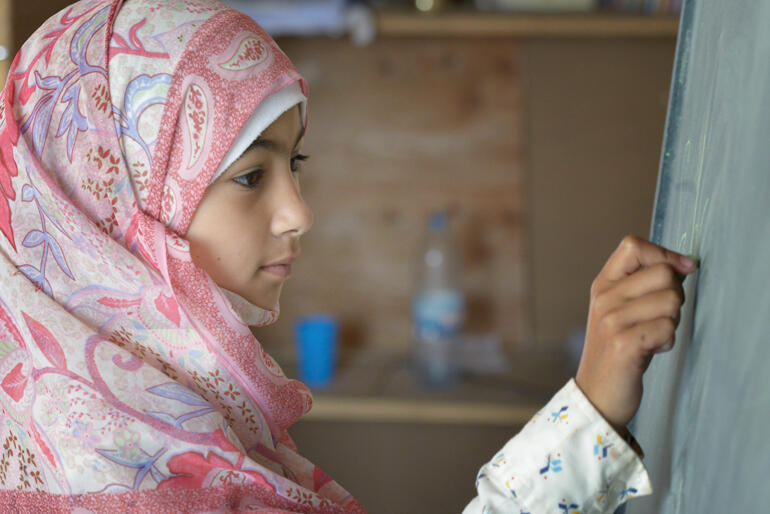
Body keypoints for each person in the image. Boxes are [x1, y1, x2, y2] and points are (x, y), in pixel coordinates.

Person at [0, 0, 695, 511]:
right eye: (250, 176)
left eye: (294, 164)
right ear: (106, 209)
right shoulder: (141, 485)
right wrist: (592, 414)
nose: (298, 212)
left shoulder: (106, 428)